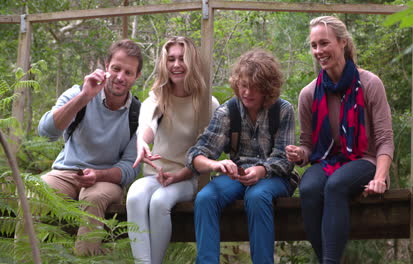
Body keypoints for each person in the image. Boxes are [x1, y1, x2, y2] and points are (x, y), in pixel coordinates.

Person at [285, 16, 394, 263]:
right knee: (310, 188)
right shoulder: (309, 93)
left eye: (324, 43)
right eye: (314, 45)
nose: (319, 51)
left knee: (335, 186)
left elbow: (385, 138)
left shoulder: (370, 83)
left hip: (365, 160)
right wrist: (300, 153)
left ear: (342, 42)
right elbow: (308, 145)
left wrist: (379, 178)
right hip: (328, 161)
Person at [186, 49, 295, 264]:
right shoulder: (228, 111)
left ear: (267, 88)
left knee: (257, 197)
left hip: (274, 177)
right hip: (237, 175)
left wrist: (262, 170)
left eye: (254, 87)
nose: (247, 92)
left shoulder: (282, 110)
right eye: (243, 85)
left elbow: (285, 160)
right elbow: (195, 156)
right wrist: (217, 164)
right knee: (206, 198)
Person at [38, 39, 142, 256]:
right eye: (116, 68)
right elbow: (47, 131)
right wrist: (84, 97)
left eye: (128, 72)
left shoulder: (137, 114)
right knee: (34, 195)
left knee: (93, 199)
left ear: (136, 77)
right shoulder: (79, 92)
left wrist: (99, 174)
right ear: (106, 66)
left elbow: (130, 168)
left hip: (105, 181)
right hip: (67, 173)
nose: (120, 77)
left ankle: (85, 259)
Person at [126, 36, 219, 264]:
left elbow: (207, 152)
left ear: (192, 62)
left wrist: (181, 175)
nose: (176, 65)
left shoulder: (208, 103)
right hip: (156, 175)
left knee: (159, 202)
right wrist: (143, 146)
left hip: (188, 178)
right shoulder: (158, 97)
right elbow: (147, 126)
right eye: (171, 59)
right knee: (136, 195)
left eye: (182, 59)